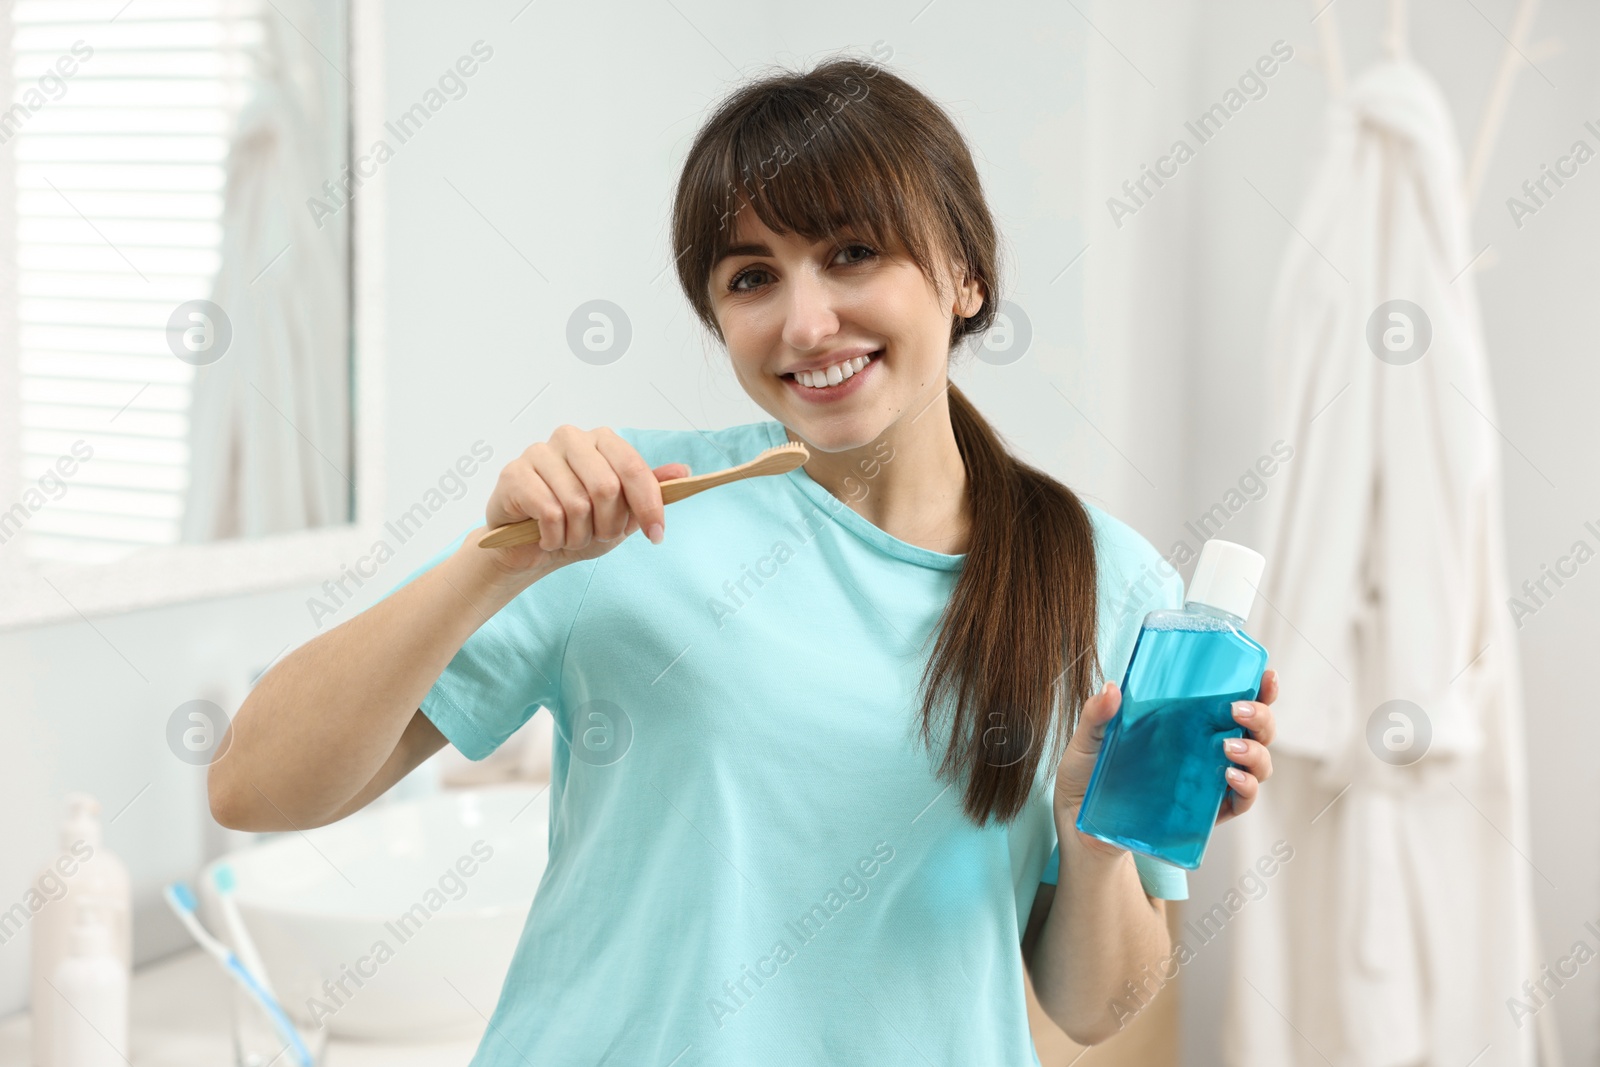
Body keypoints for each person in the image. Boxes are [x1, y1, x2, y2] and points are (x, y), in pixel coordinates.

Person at [210, 54, 1279, 1064]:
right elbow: (253, 784)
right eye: (751, 276)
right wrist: (492, 564)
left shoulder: (1105, 580)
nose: (806, 322)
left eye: (852, 254)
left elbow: (1097, 1007)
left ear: (962, 273)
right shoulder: (632, 507)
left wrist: (1088, 838)